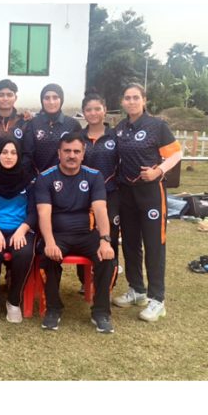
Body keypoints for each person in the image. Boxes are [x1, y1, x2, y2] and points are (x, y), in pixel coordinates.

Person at [112, 83, 182, 322]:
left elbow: (176, 153)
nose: (131, 101)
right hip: (126, 192)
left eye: (135, 97)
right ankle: (137, 290)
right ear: (122, 102)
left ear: (144, 100)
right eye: (127, 98)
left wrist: (158, 172)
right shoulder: (120, 128)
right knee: (130, 242)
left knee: (154, 244)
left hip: (150, 192)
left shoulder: (157, 126)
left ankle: (157, 300)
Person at [35, 132, 116, 333]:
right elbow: (43, 212)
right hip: (57, 234)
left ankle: (100, 312)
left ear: (83, 153)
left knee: (108, 259)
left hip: (86, 234)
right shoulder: (45, 178)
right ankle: (53, 309)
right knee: (48, 256)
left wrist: (105, 240)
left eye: (76, 151)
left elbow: (100, 209)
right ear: (59, 153)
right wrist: (50, 242)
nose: (72, 155)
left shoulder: (94, 176)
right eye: (67, 151)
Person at [0, 135, 37, 325]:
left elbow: (34, 212)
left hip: (21, 229)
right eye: (4, 152)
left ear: (19, 155)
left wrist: (22, 230)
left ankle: (14, 301)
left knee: (23, 253)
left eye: (13, 152)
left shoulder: (29, 182)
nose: (9, 156)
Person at [79, 90, 120, 292]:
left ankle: (108, 282)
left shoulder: (115, 136)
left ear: (105, 110)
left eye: (97, 109)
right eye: (89, 110)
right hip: (83, 196)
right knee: (83, 232)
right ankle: (84, 280)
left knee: (109, 234)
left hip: (110, 193)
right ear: (83, 113)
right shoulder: (79, 138)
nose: (93, 113)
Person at [23, 83, 81, 176]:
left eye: (55, 97)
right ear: (42, 100)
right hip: (38, 180)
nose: (51, 102)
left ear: (61, 100)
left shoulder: (72, 124)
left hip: (66, 180)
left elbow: (78, 154)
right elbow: (27, 155)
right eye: (47, 98)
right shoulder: (33, 123)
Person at [0, 79, 30, 161]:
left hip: (18, 172)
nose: (5, 98)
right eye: (1, 95)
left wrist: (21, 172)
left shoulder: (24, 122)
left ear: (15, 98)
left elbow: (27, 153)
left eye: (9, 95)